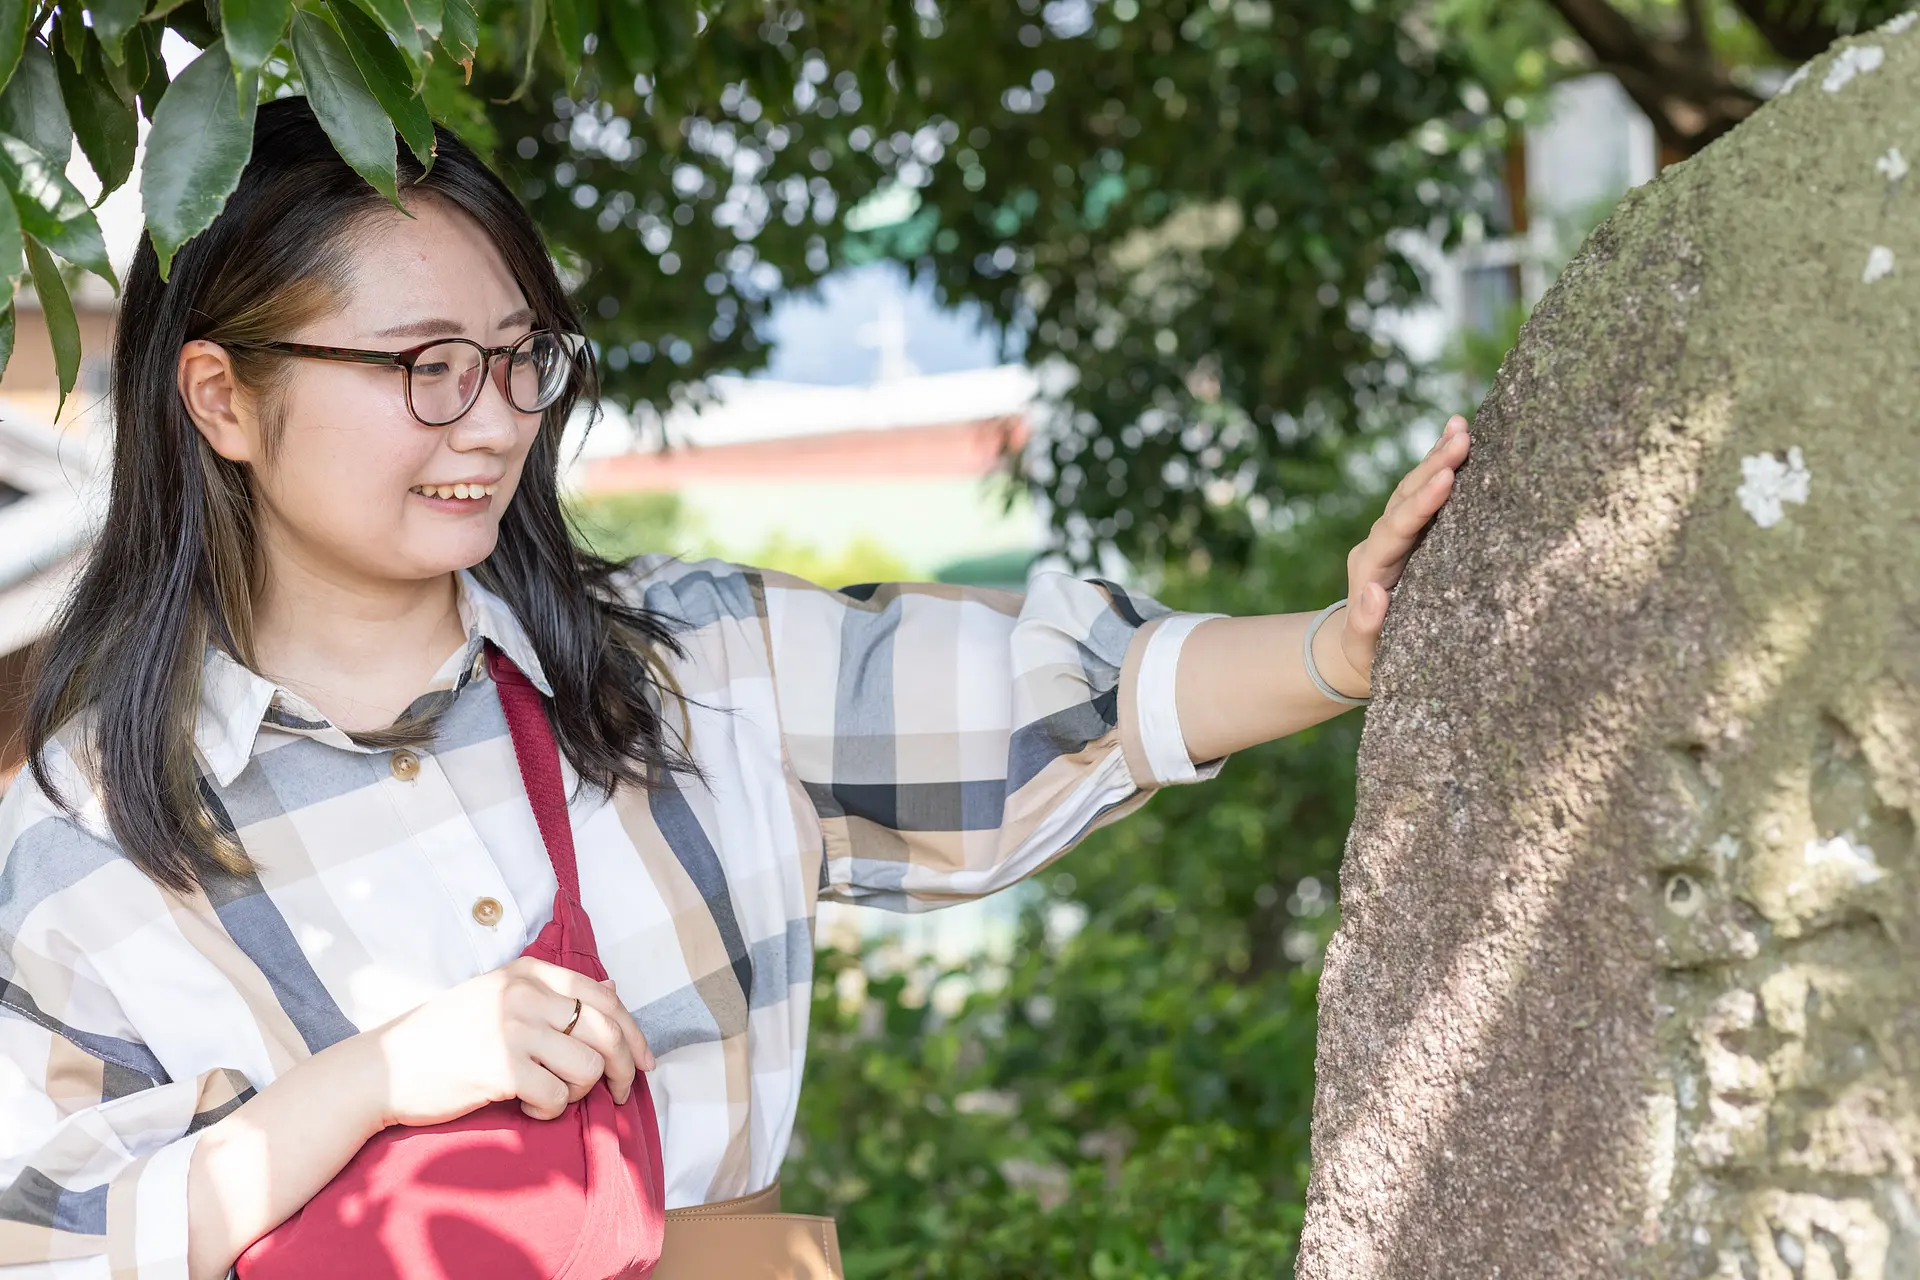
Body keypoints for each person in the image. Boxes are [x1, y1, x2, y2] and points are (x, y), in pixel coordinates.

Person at [0, 99, 1470, 1279]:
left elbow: (1053, 695)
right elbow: (44, 1242)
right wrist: (377, 1079)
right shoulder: (91, 837)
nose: (496, 422)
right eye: (427, 366)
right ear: (221, 399)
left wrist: (1335, 649)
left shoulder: (687, 666)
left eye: (522, 360)